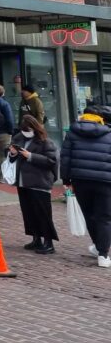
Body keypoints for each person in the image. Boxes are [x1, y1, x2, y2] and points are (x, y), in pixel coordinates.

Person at [60, 105, 111, 268]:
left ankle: (98, 246)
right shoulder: (108, 133)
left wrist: (66, 180)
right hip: (104, 181)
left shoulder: (73, 132)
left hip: (80, 180)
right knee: (104, 218)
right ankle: (103, 255)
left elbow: (65, 157)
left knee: (89, 215)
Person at [8, 114, 59, 254]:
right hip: (23, 181)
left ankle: (48, 242)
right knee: (29, 212)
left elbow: (51, 161)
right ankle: (36, 238)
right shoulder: (18, 138)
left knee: (43, 213)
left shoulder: (45, 141)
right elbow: (12, 159)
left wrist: (30, 156)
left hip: (39, 182)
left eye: (28, 129)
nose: (25, 132)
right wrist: (13, 153)